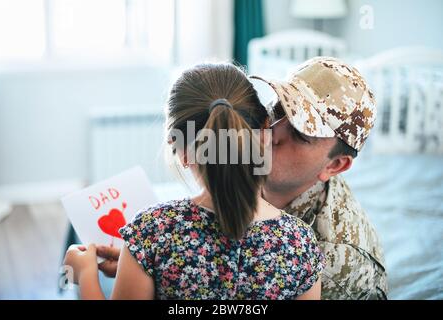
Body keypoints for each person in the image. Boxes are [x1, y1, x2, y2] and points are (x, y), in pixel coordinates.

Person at [63, 63, 325, 300]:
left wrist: (85, 276)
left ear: (181, 150)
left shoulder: (153, 233)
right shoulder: (300, 243)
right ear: (265, 133)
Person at [252, 56, 388, 299]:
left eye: (302, 133)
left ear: (335, 165)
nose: (271, 133)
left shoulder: (333, 261)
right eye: (280, 108)